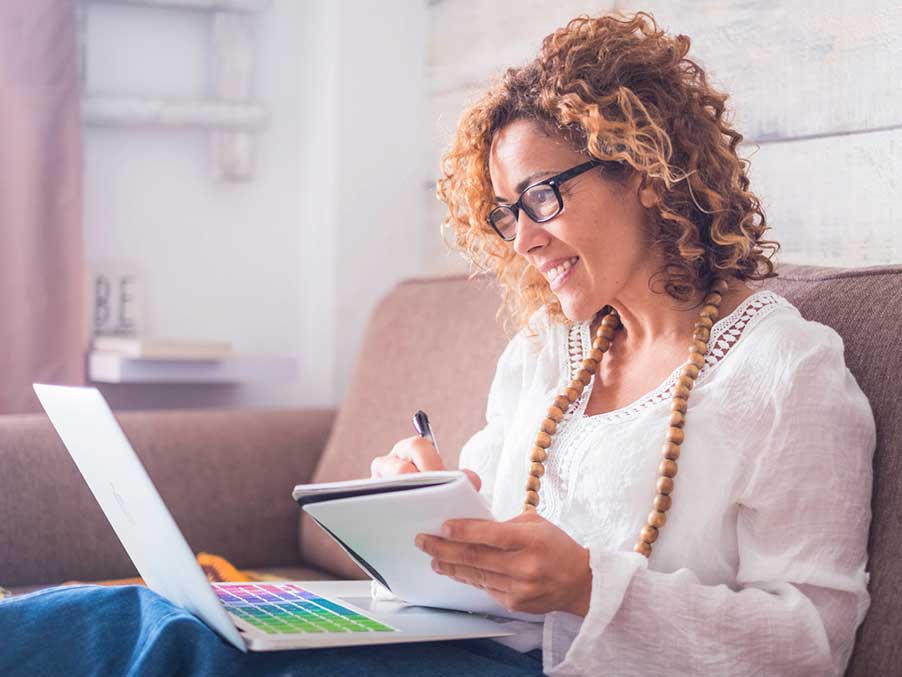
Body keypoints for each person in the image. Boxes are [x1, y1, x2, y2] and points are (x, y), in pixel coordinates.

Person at [0, 10, 874, 677]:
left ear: (639, 170)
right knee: (153, 613)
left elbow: (813, 637)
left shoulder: (783, 371)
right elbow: (490, 524)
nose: (523, 239)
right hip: (469, 644)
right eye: (506, 213)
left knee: (191, 647)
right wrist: (425, 510)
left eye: (541, 197)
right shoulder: (547, 352)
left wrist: (585, 586)